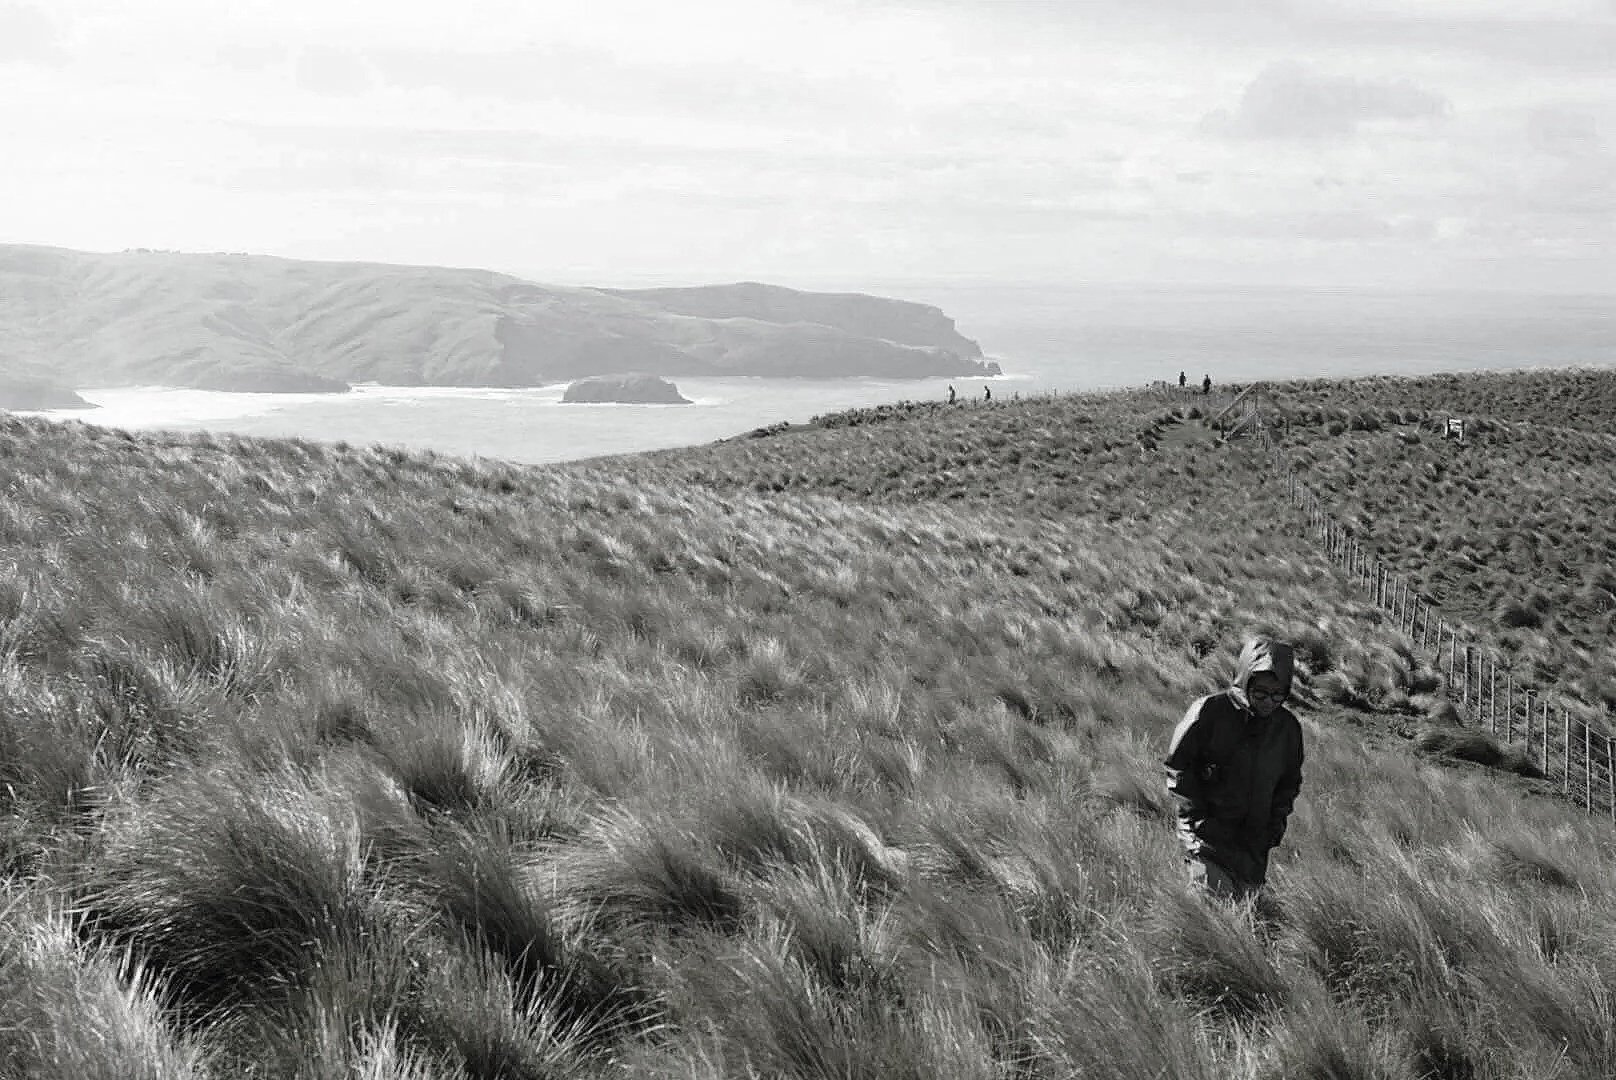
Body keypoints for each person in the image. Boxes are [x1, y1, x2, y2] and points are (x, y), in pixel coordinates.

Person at [1164, 638, 1304, 901]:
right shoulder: (1209, 712)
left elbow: (1288, 785)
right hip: (1206, 842)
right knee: (1210, 911)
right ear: (1245, 680)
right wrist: (1197, 820)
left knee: (1243, 916)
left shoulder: (1288, 729)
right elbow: (1178, 768)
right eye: (1260, 693)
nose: (1269, 702)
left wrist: (1273, 829)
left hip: (1252, 851)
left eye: (1278, 695)